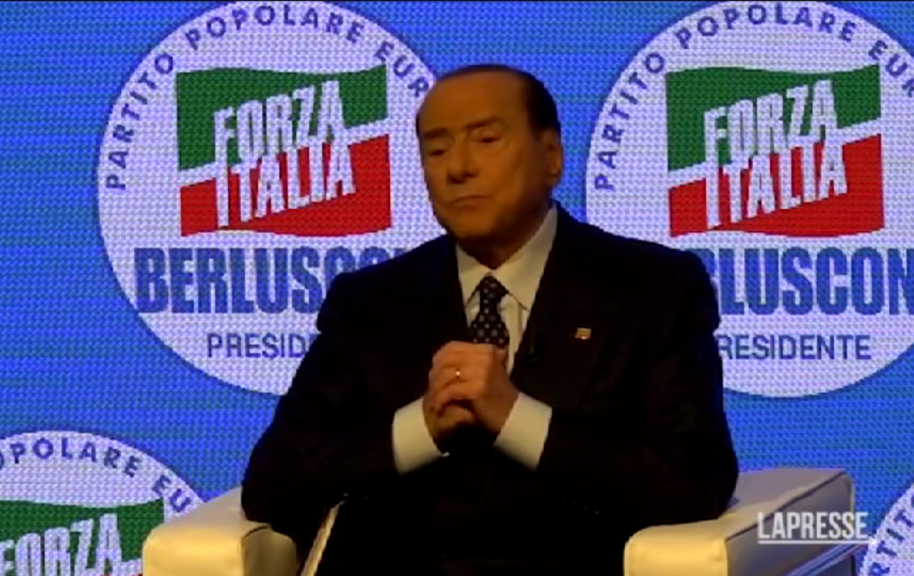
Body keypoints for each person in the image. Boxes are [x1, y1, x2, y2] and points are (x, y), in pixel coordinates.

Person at [241, 63, 739, 576]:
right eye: (437, 150)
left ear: (551, 156)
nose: (458, 167)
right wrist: (420, 428)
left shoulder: (651, 288)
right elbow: (272, 483)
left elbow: (692, 481)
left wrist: (517, 418)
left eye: (485, 140)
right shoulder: (369, 302)